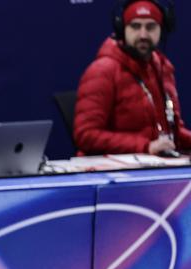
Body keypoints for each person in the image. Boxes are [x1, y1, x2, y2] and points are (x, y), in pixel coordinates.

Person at [74, 0, 190, 156]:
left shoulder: (163, 68)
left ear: (162, 29)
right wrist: (145, 146)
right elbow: (85, 135)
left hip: (158, 164)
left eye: (150, 27)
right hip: (114, 170)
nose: (143, 35)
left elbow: (173, 131)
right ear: (122, 29)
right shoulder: (102, 70)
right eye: (135, 26)